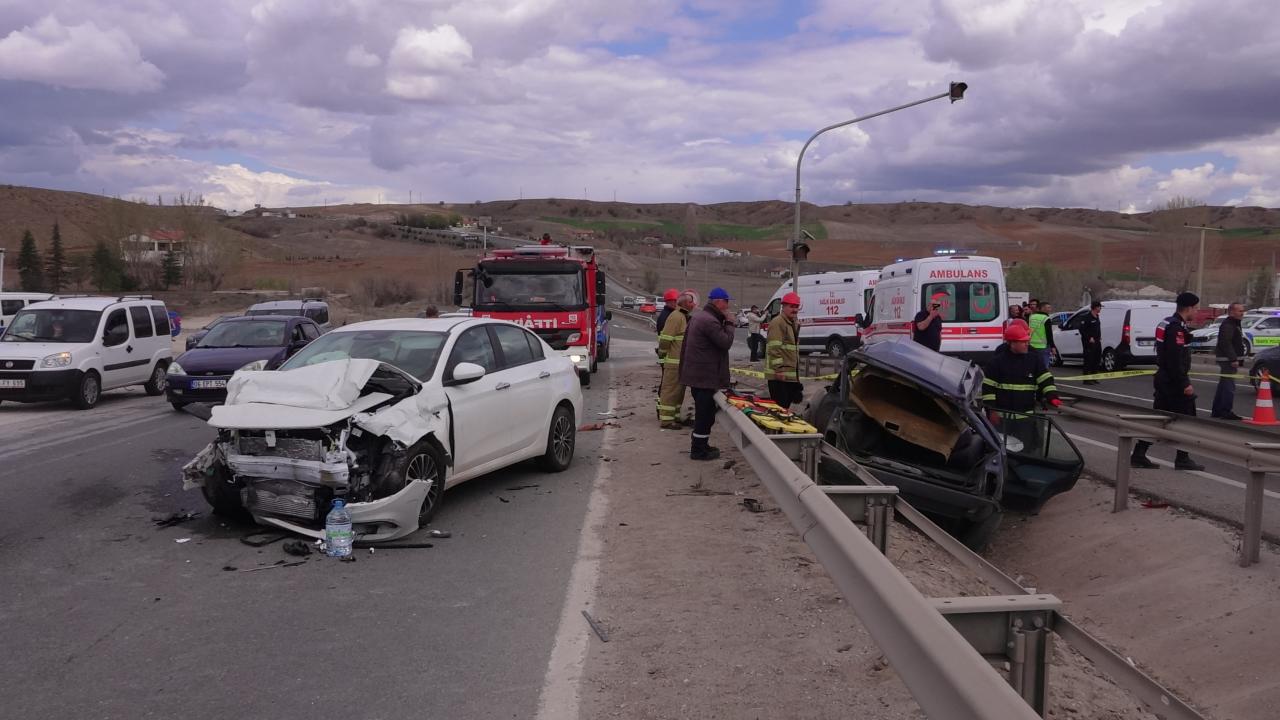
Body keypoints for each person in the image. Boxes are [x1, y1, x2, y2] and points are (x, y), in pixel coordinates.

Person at [1131, 291, 1204, 471]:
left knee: (1159, 418)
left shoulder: (1167, 323)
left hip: (1165, 379)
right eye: (1196, 308)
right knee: (1187, 419)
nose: (1197, 312)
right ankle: (1182, 458)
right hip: (1173, 381)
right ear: (1188, 308)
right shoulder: (1175, 328)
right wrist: (1184, 383)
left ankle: (1139, 453)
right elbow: (1174, 360)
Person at [981, 319, 1060, 451]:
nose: (1027, 344)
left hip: (1025, 419)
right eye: (1023, 341)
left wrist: (1052, 395)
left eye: (1027, 340)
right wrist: (991, 411)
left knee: (1026, 450)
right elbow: (988, 388)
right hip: (1003, 419)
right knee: (1001, 450)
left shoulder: (1033, 359)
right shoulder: (996, 362)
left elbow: (1045, 378)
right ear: (1012, 343)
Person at [679, 287, 735, 461]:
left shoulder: (700, 317)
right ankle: (698, 450)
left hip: (698, 376)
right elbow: (725, 342)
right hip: (704, 377)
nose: (728, 306)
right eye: (726, 302)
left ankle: (701, 444)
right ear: (718, 302)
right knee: (704, 416)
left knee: (705, 415)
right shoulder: (709, 321)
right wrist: (730, 323)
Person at [656, 291, 696, 429]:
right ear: (683, 303)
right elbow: (665, 340)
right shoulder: (676, 317)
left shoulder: (683, 316)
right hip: (674, 362)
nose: (693, 304)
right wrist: (663, 354)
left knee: (678, 393)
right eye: (690, 302)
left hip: (681, 363)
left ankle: (675, 417)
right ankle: (666, 421)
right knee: (670, 392)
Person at [766, 292, 803, 409]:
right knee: (780, 409)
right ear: (784, 306)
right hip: (779, 377)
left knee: (784, 409)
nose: (795, 309)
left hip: (788, 376)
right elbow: (774, 348)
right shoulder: (778, 322)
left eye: (796, 306)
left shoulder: (791, 323)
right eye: (792, 306)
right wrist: (778, 370)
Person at [1211, 302, 1246, 420]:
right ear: (1231, 312)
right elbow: (1225, 342)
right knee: (1228, 386)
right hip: (1227, 360)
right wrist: (1233, 358)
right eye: (1240, 311)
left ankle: (1217, 411)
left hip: (1228, 359)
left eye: (1243, 311)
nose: (1242, 313)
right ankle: (1226, 411)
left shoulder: (1234, 323)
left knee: (1223, 385)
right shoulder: (1229, 324)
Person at [1079, 301, 1102, 383]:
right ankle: (1086, 379)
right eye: (1099, 307)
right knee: (1089, 360)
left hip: (1097, 341)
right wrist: (1089, 337)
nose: (1100, 309)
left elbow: (1097, 329)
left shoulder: (1097, 316)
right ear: (1095, 307)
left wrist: (1099, 337)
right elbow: (1082, 330)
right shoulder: (1086, 317)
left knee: (1096, 359)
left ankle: (1094, 377)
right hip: (1088, 342)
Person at [1027, 302, 1053, 367]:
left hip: (1031, 345)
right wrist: (1052, 346)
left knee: (1033, 365)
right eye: (1048, 307)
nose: (1050, 309)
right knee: (1044, 366)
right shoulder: (1046, 318)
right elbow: (1049, 334)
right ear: (1042, 308)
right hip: (1043, 346)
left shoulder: (1031, 317)